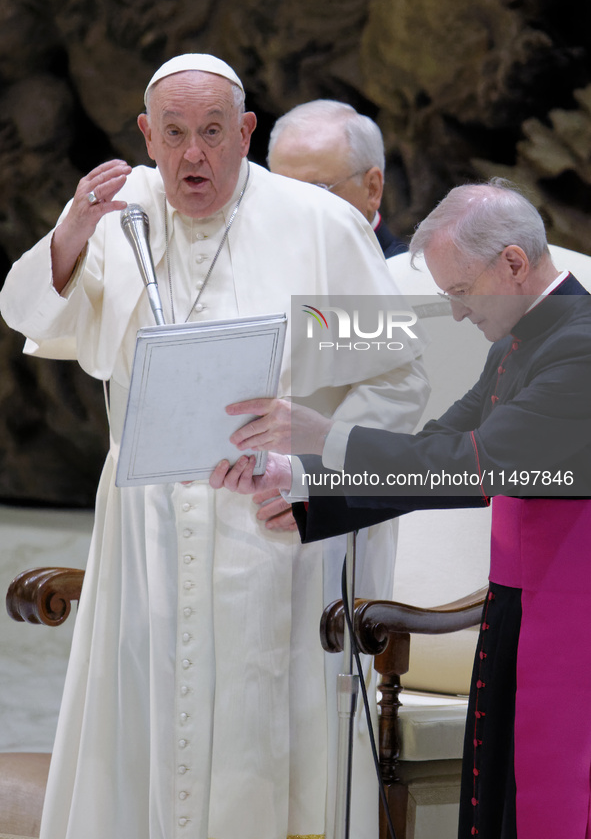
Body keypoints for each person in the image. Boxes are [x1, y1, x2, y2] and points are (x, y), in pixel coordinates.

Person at [0, 54, 429, 839]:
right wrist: (69, 231)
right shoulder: (119, 214)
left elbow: (401, 378)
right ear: (145, 135)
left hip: (268, 524)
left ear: (244, 132)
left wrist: (307, 463)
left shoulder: (318, 225)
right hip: (146, 526)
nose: (192, 156)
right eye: (172, 135)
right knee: (146, 717)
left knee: (259, 732)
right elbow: (35, 314)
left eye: (210, 133)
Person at [209, 180, 591, 839]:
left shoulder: (579, 345)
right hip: (518, 605)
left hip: (569, 612)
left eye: (460, 292)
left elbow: (469, 466)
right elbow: (429, 457)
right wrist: (300, 483)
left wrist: (323, 436)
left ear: (511, 263)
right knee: (499, 793)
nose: (457, 314)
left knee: (546, 799)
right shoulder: (520, 341)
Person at [268, 99, 407, 259]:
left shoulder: (402, 279)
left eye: (317, 190)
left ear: (372, 189)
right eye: (282, 191)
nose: (294, 211)